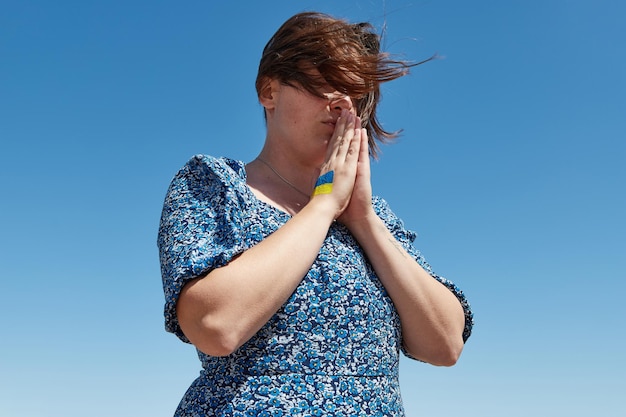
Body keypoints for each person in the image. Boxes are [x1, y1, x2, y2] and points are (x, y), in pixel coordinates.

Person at [158, 11, 473, 417]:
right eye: (324, 84)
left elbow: (445, 344)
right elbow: (214, 325)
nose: (342, 104)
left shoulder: (373, 216)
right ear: (269, 91)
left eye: (354, 93)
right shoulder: (214, 183)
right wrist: (324, 204)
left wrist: (362, 221)